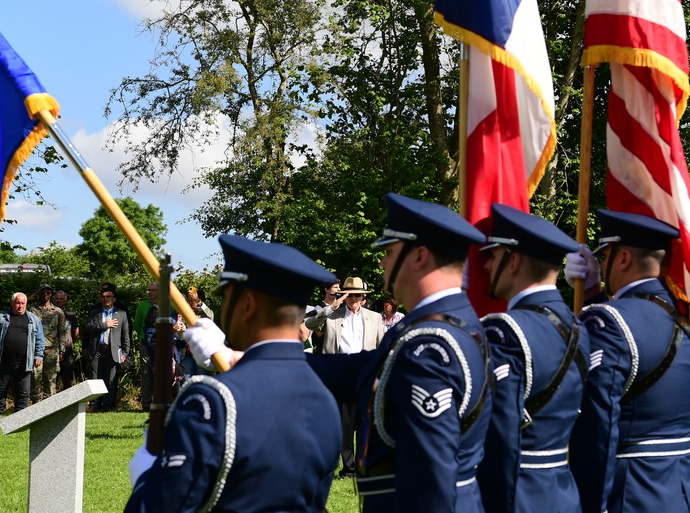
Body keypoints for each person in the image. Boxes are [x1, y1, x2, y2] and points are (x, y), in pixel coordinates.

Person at [189, 193, 493, 512]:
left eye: (389, 252)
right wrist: (242, 358)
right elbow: (357, 368)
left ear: (419, 256)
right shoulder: (443, 326)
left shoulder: (432, 343)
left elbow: (433, 474)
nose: (382, 261)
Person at [126, 234, 341, 512]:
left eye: (227, 298)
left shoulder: (212, 402)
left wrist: (146, 476)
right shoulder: (325, 400)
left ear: (248, 305)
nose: (225, 308)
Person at [569, 210, 690, 513]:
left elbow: (597, 426)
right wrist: (594, 295)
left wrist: (588, 501)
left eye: (604, 255)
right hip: (686, 490)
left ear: (622, 258)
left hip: (632, 492)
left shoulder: (607, 322)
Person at [476, 204, 588, 513]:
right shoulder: (580, 327)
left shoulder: (503, 331)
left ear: (513, 262)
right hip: (564, 491)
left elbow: (499, 437)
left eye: (493, 257)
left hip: (517, 494)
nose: (485, 266)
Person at [305, 276, 385, 479]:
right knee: (345, 426)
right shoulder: (332, 315)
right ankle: (348, 469)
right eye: (348, 294)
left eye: (357, 295)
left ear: (363, 297)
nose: (353, 298)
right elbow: (309, 325)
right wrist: (332, 306)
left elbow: (382, 348)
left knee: (366, 424)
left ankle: (363, 466)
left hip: (366, 375)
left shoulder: (374, 318)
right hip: (340, 374)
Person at [0, 293, 44, 419]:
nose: (20, 306)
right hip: (3, 360)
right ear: (12, 303)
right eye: (17, 303)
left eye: (22, 303)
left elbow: (40, 340)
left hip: (24, 362)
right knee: (0, 389)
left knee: (23, 391)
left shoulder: (33, 320)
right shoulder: (0, 318)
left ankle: (20, 415)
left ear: (26, 304)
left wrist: (38, 356)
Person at [84, 283, 131, 412]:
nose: (106, 299)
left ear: (114, 299)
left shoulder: (121, 314)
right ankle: (94, 404)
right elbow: (88, 328)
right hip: (97, 350)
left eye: (109, 296)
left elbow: (126, 334)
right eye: (103, 297)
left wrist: (126, 352)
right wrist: (105, 325)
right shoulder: (95, 312)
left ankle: (108, 405)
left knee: (111, 379)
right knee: (95, 378)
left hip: (113, 350)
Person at [29, 284, 68, 402]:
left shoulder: (57, 312)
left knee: (51, 380)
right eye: (42, 292)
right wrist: (34, 294)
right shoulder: (32, 310)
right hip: (36, 350)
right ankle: (36, 405)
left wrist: (62, 351)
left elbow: (62, 332)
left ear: (51, 295)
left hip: (52, 350)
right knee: (35, 378)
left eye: (48, 293)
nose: (45, 295)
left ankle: (49, 406)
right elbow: (23, 301)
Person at [302, 279, 343, 354]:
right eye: (335, 287)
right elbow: (318, 333)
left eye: (339, 287)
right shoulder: (319, 309)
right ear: (326, 289)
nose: (339, 289)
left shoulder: (342, 307)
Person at [134, 282, 158, 410]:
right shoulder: (143, 305)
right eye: (148, 290)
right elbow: (137, 325)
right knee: (146, 374)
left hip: (163, 344)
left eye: (152, 290)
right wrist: (144, 337)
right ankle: (146, 404)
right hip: (146, 344)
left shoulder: (168, 305)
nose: (149, 292)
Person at [52, 289, 80, 390]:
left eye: (61, 299)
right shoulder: (50, 314)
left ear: (65, 301)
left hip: (67, 353)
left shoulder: (71, 315)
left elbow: (76, 332)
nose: (59, 301)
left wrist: (69, 343)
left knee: (67, 379)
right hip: (52, 351)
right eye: (57, 299)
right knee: (52, 379)